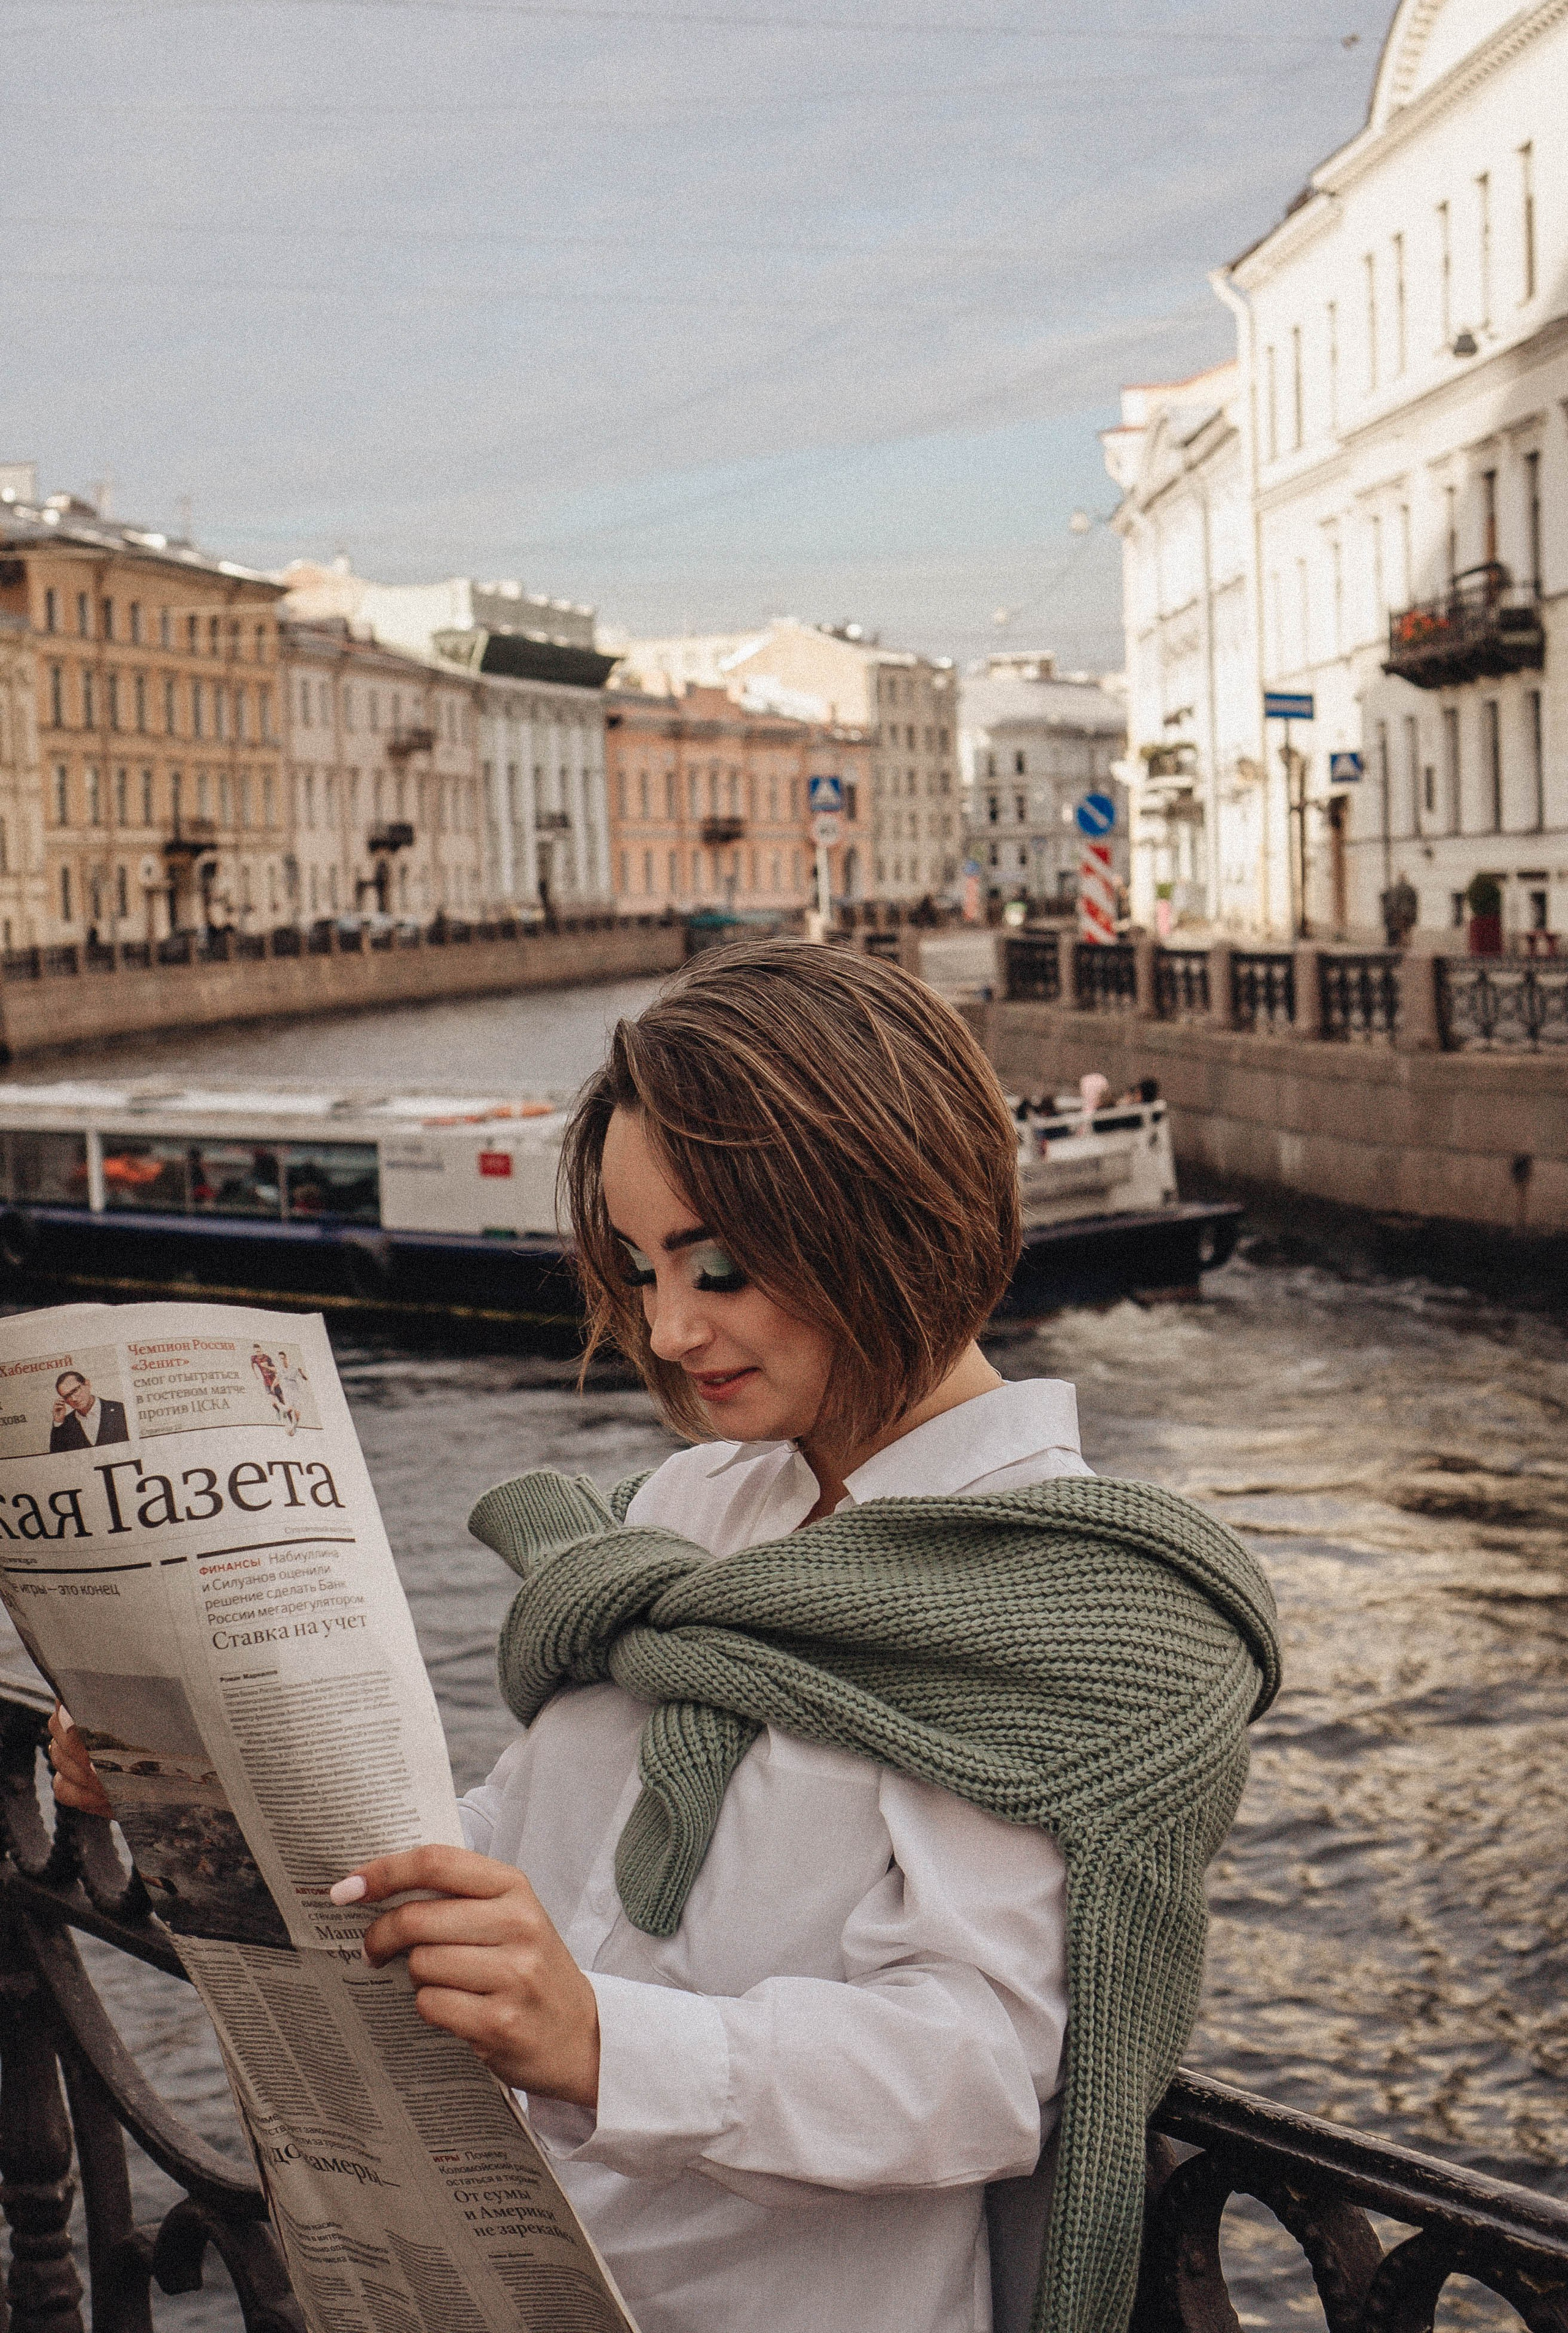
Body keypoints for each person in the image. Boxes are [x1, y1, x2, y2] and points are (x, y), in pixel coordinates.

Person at [52, 942, 1279, 2333]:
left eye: (723, 1265)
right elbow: (515, 1853)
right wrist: (193, 1792)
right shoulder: (681, 1510)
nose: (668, 1324)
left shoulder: (1069, 1598)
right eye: (638, 1266)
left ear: (890, 1210)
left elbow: (984, 2065)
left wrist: (596, 2040)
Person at [49, 1369, 129, 1453]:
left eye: (75, 1391)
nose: (73, 1399)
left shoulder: (121, 1410)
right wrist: (58, 1422)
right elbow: (57, 1458)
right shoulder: (64, 1425)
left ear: (87, 1384)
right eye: (67, 1396)